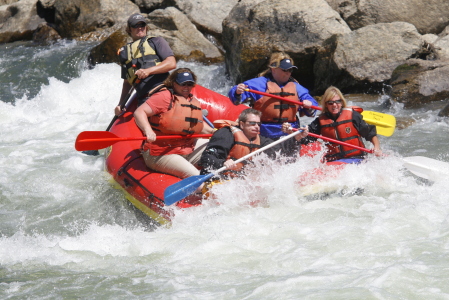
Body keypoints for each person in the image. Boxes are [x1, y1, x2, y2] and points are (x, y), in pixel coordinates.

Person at [134, 68, 215, 181]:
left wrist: (213, 132)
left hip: (186, 148)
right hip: (161, 153)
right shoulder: (164, 97)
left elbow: (196, 124)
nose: (186, 87)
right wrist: (148, 130)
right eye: (183, 84)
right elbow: (139, 112)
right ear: (173, 83)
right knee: (198, 178)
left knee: (217, 146)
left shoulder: (192, 100)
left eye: (190, 84)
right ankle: (201, 187)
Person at [228, 52, 319, 139]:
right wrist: (237, 92)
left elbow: (312, 107)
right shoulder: (259, 84)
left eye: (290, 70)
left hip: (289, 132)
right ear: (273, 69)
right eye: (285, 70)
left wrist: (309, 105)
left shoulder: (296, 87)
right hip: (264, 133)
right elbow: (236, 100)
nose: (288, 73)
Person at [200, 108, 308, 178]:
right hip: (220, 178)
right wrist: (222, 164)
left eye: (258, 124)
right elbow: (207, 157)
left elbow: (280, 151)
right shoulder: (226, 134)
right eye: (252, 123)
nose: (256, 126)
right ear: (241, 125)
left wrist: (296, 138)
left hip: (239, 181)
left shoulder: (261, 140)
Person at [285, 86, 382, 163]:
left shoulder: (353, 116)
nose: (334, 105)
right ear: (326, 104)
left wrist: (376, 148)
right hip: (334, 161)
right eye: (330, 103)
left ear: (341, 102)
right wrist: (293, 132)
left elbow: (370, 133)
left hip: (356, 159)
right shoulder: (320, 121)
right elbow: (306, 139)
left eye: (337, 102)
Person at [116, 13, 177, 115]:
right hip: (143, 99)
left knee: (140, 114)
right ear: (129, 29)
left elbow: (171, 63)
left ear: (146, 27)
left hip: (162, 91)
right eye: (136, 26)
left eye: (142, 25)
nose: (140, 28)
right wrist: (121, 104)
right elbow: (127, 82)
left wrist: (148, 71)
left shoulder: (156, 41)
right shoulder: (124, 52)